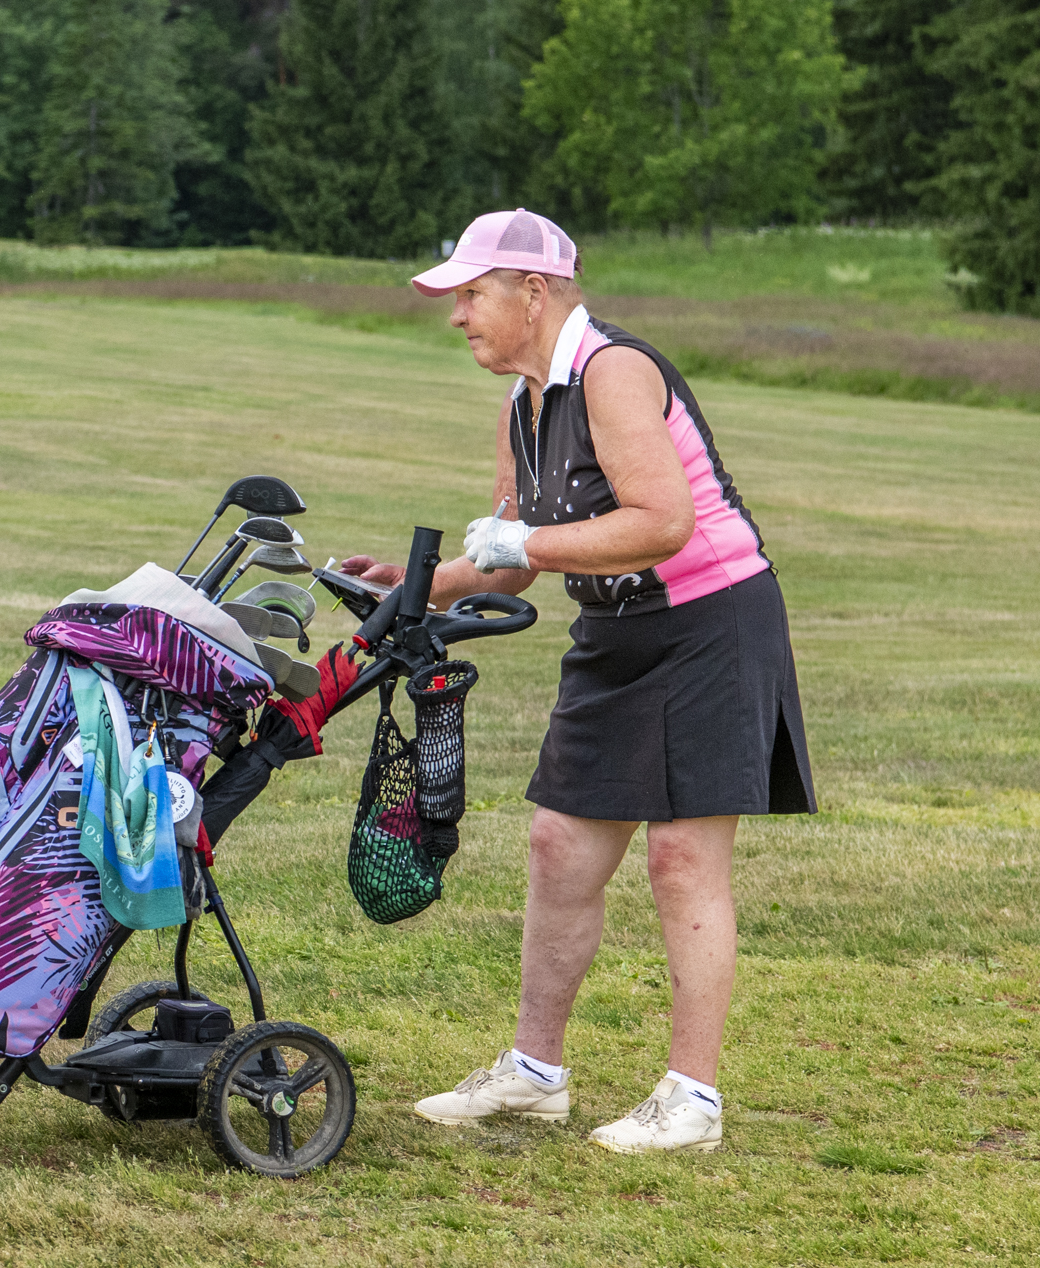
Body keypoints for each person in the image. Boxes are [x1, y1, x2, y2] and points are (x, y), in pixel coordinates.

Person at [340, 209, 816, 1154]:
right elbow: (511, 562)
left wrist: (527, 541)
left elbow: (662, 521)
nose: (458, 315)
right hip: (616, 631)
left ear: (533, 291)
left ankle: (693, 1101)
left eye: (472, 294)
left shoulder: (614, 372)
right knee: (560, 845)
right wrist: (414, 582)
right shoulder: (524, 402)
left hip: (711, 624)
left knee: (682, 859)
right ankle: (534, 1074)